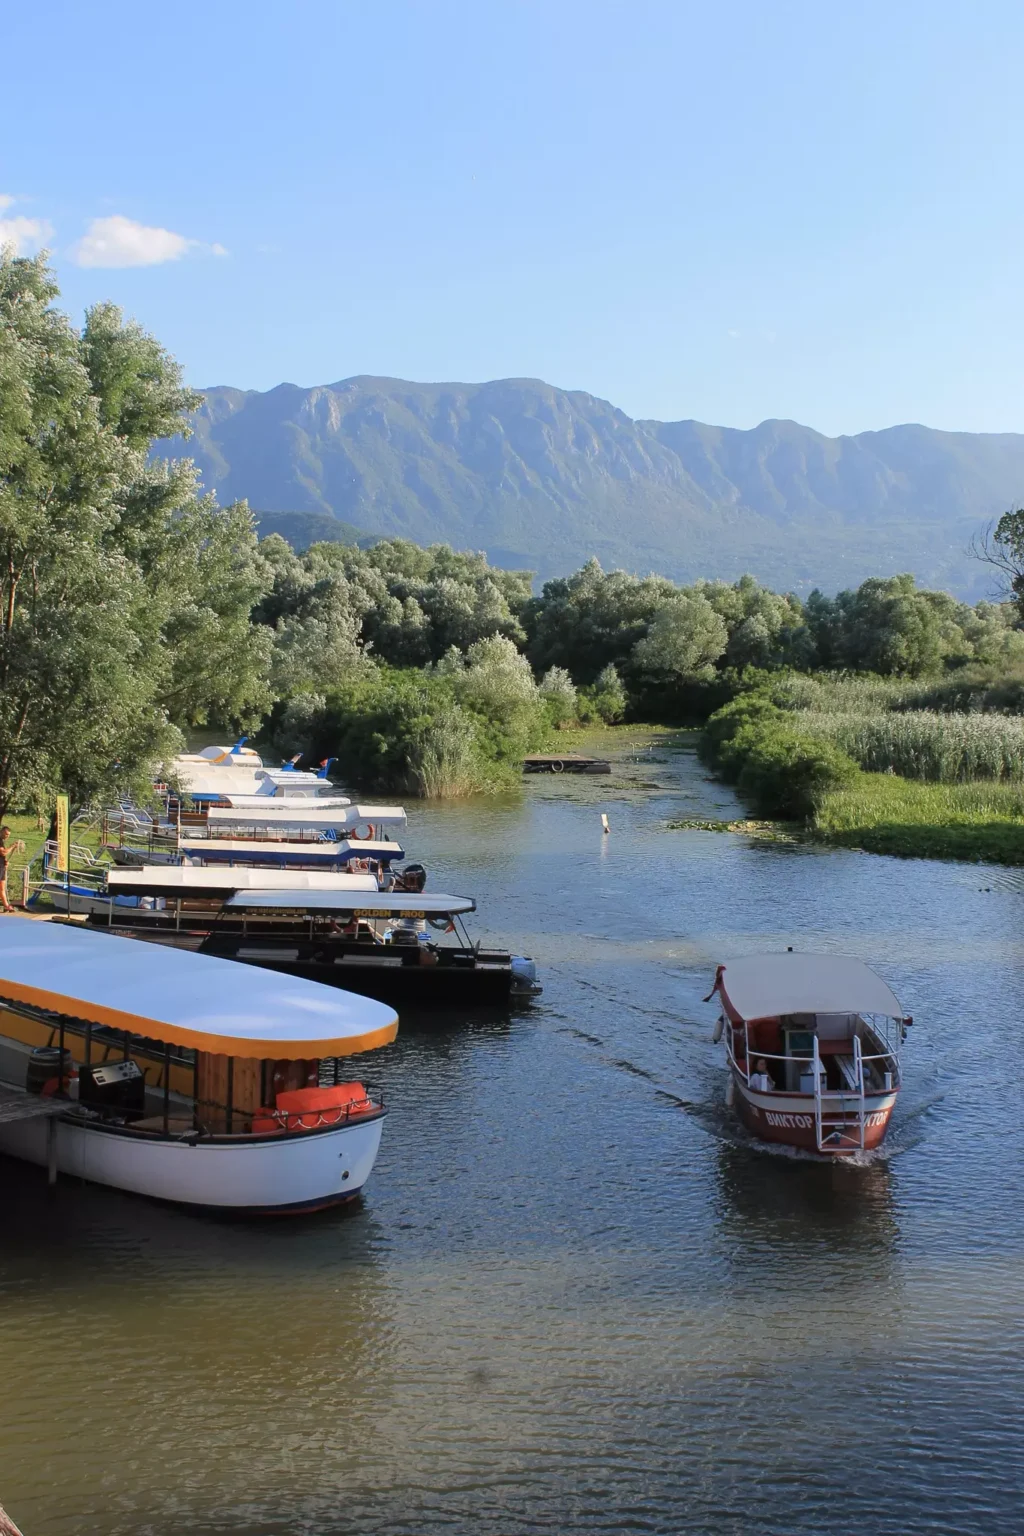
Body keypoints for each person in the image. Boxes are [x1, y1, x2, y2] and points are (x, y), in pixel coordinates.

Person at [0, 827, 14, 913]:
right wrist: (12, 846)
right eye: (6, 834)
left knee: (2, 888)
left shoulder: (2, 841)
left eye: (8, 835)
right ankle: (6, 905)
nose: (7, 836)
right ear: (1, 831)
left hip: (1, 866)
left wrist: (4, 861)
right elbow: (3, 852)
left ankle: (6, 906)